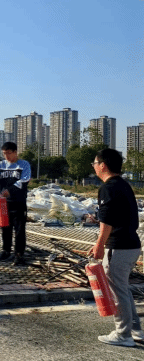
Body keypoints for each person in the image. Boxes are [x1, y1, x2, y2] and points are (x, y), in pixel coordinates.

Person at [87, 148, 143, 347]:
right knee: (123, 289)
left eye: (95, 163)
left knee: (118, 292)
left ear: (103, 165)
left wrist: (99, 245)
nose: (94, 166)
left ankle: (123, 334)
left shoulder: (108, 187)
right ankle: (135, 330)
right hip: (131, 245)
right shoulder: (124, 185)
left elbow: (107, 221)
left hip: (118, 247)